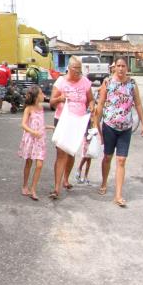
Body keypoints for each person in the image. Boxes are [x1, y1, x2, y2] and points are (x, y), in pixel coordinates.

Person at [95, 58, 143, 207]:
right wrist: (96, 125)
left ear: (127, 68)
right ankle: (104, 182)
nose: (121, 68)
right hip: (109, 126)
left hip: (126, 128)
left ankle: (118, 195)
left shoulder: (132, 84)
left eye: (123, 66)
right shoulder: (107, 83)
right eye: (118, 66)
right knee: (107, 157)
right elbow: (100, 104)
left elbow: (138, 104)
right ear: (114, 67)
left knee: (121, 160)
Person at [48, 56, 93, 199]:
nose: (78, 72)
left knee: (71, 152)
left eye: (80, 69)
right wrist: (60, 99)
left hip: (78, 122)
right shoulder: (61, 81)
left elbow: (91, 100)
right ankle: (56, 188)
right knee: (61, 153)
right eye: (75, 69)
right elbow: (51, 102)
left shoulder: (85, 81)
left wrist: (92, 107)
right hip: (63, 120)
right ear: (69, 68)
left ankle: (66, 179)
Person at [18, 85, 53, 201]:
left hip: (40, 139)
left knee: (39, 165)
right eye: (41, 93)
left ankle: (33, 189)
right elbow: (23, 124)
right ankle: (25, 186)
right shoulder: (28, 108)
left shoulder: (41, 108)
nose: (43, 95)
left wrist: (50, 127)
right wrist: (33, 132)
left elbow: (40, 124)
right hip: (31, 139)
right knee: (28, 163)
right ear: (36, 96)